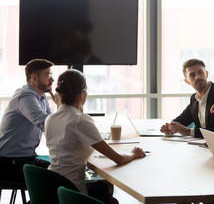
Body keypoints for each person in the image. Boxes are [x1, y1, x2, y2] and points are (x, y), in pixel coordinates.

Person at [45, 69, 146, 204]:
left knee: (105, 186)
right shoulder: (80, 120)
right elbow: (119, 159)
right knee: (108, 193)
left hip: (52, 187)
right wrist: (134, 153)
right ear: (83, 94)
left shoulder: (50, 119)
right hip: (73, 193)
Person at [0, 58, 57, 183]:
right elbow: (45, 123)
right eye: (47, 75)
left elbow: (52, 126)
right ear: (34, 78)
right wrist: (63, 107)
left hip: (27, 158)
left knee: (60, 173)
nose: (52, 80)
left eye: (51, 75)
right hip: (9, 162)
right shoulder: (25, 96)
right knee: (54, 180)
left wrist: (60, 107)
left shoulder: (42, 98)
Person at [160, 58, 214, 139]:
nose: (198, 77)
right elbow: (182, 120)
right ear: (187, 81)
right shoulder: (194, 98)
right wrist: (170, 127)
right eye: (192, 75)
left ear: (206, 74)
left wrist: (188, 131)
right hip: (201, 146)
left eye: (200, 72)